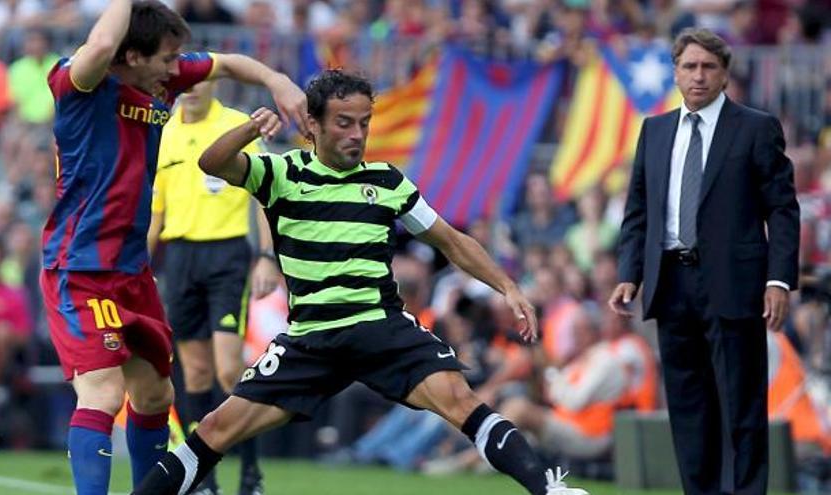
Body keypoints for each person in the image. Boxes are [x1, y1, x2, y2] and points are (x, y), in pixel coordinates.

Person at [131, 70, 588, 495]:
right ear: (312, 124)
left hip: (380, 329)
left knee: (459, 400)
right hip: (311, 339)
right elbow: (213, 162)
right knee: (214, 429)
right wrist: (253, 129)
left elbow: (450, 240)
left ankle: (550, 490)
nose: (356, 135)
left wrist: (507, 286)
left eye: (364, 123)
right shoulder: (282, 174)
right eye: (344, 123)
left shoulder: (387, 182)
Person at [38, 1, 306, 494]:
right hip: (80, 267)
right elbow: (99, 45)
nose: (175, 68)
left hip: (134, 272)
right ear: (133, 56)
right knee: (103, 390)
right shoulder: (78, 83)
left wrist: (277, 80)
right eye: (166, 57)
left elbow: (227, 63)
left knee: (156, 394)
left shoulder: (162, 80)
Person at [609, 28, 799, 495]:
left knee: (742, 405)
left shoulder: (755, 127)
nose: (699, 76)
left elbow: (783, 208)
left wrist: (778, 280)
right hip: (671, 283)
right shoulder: (653, 131)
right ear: (675, 73)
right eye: (690, 66)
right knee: (689, 408)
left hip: (735, 285)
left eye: (708, 67)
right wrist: (628, 274)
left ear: (725, 74)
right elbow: (638, 211)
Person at [147, 79, 281, 495]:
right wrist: (137, 267)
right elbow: (156, 211)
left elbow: (263, 195)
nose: (189, 88)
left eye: (198, 79)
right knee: (196, 373)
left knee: (227, 367)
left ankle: (251, 470)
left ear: (214, 82)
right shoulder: (164, 132)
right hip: (181, 258)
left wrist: (265, 256)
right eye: (181, 80)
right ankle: (203, 477)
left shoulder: (235, 125)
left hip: (227, 257)